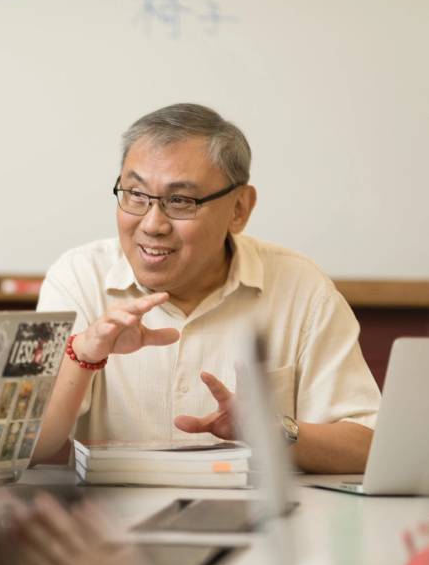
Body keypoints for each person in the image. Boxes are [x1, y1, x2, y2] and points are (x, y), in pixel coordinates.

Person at [33, 103, 379, 474]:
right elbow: (30, 446)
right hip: (109, 525)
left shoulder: (302, 289)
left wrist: (269, 430)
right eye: (135, 194)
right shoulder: (78, 277)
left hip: (260, 525)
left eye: (181, 201)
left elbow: (367, 445)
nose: (152, 224)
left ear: (239, 209)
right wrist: (83, 353)